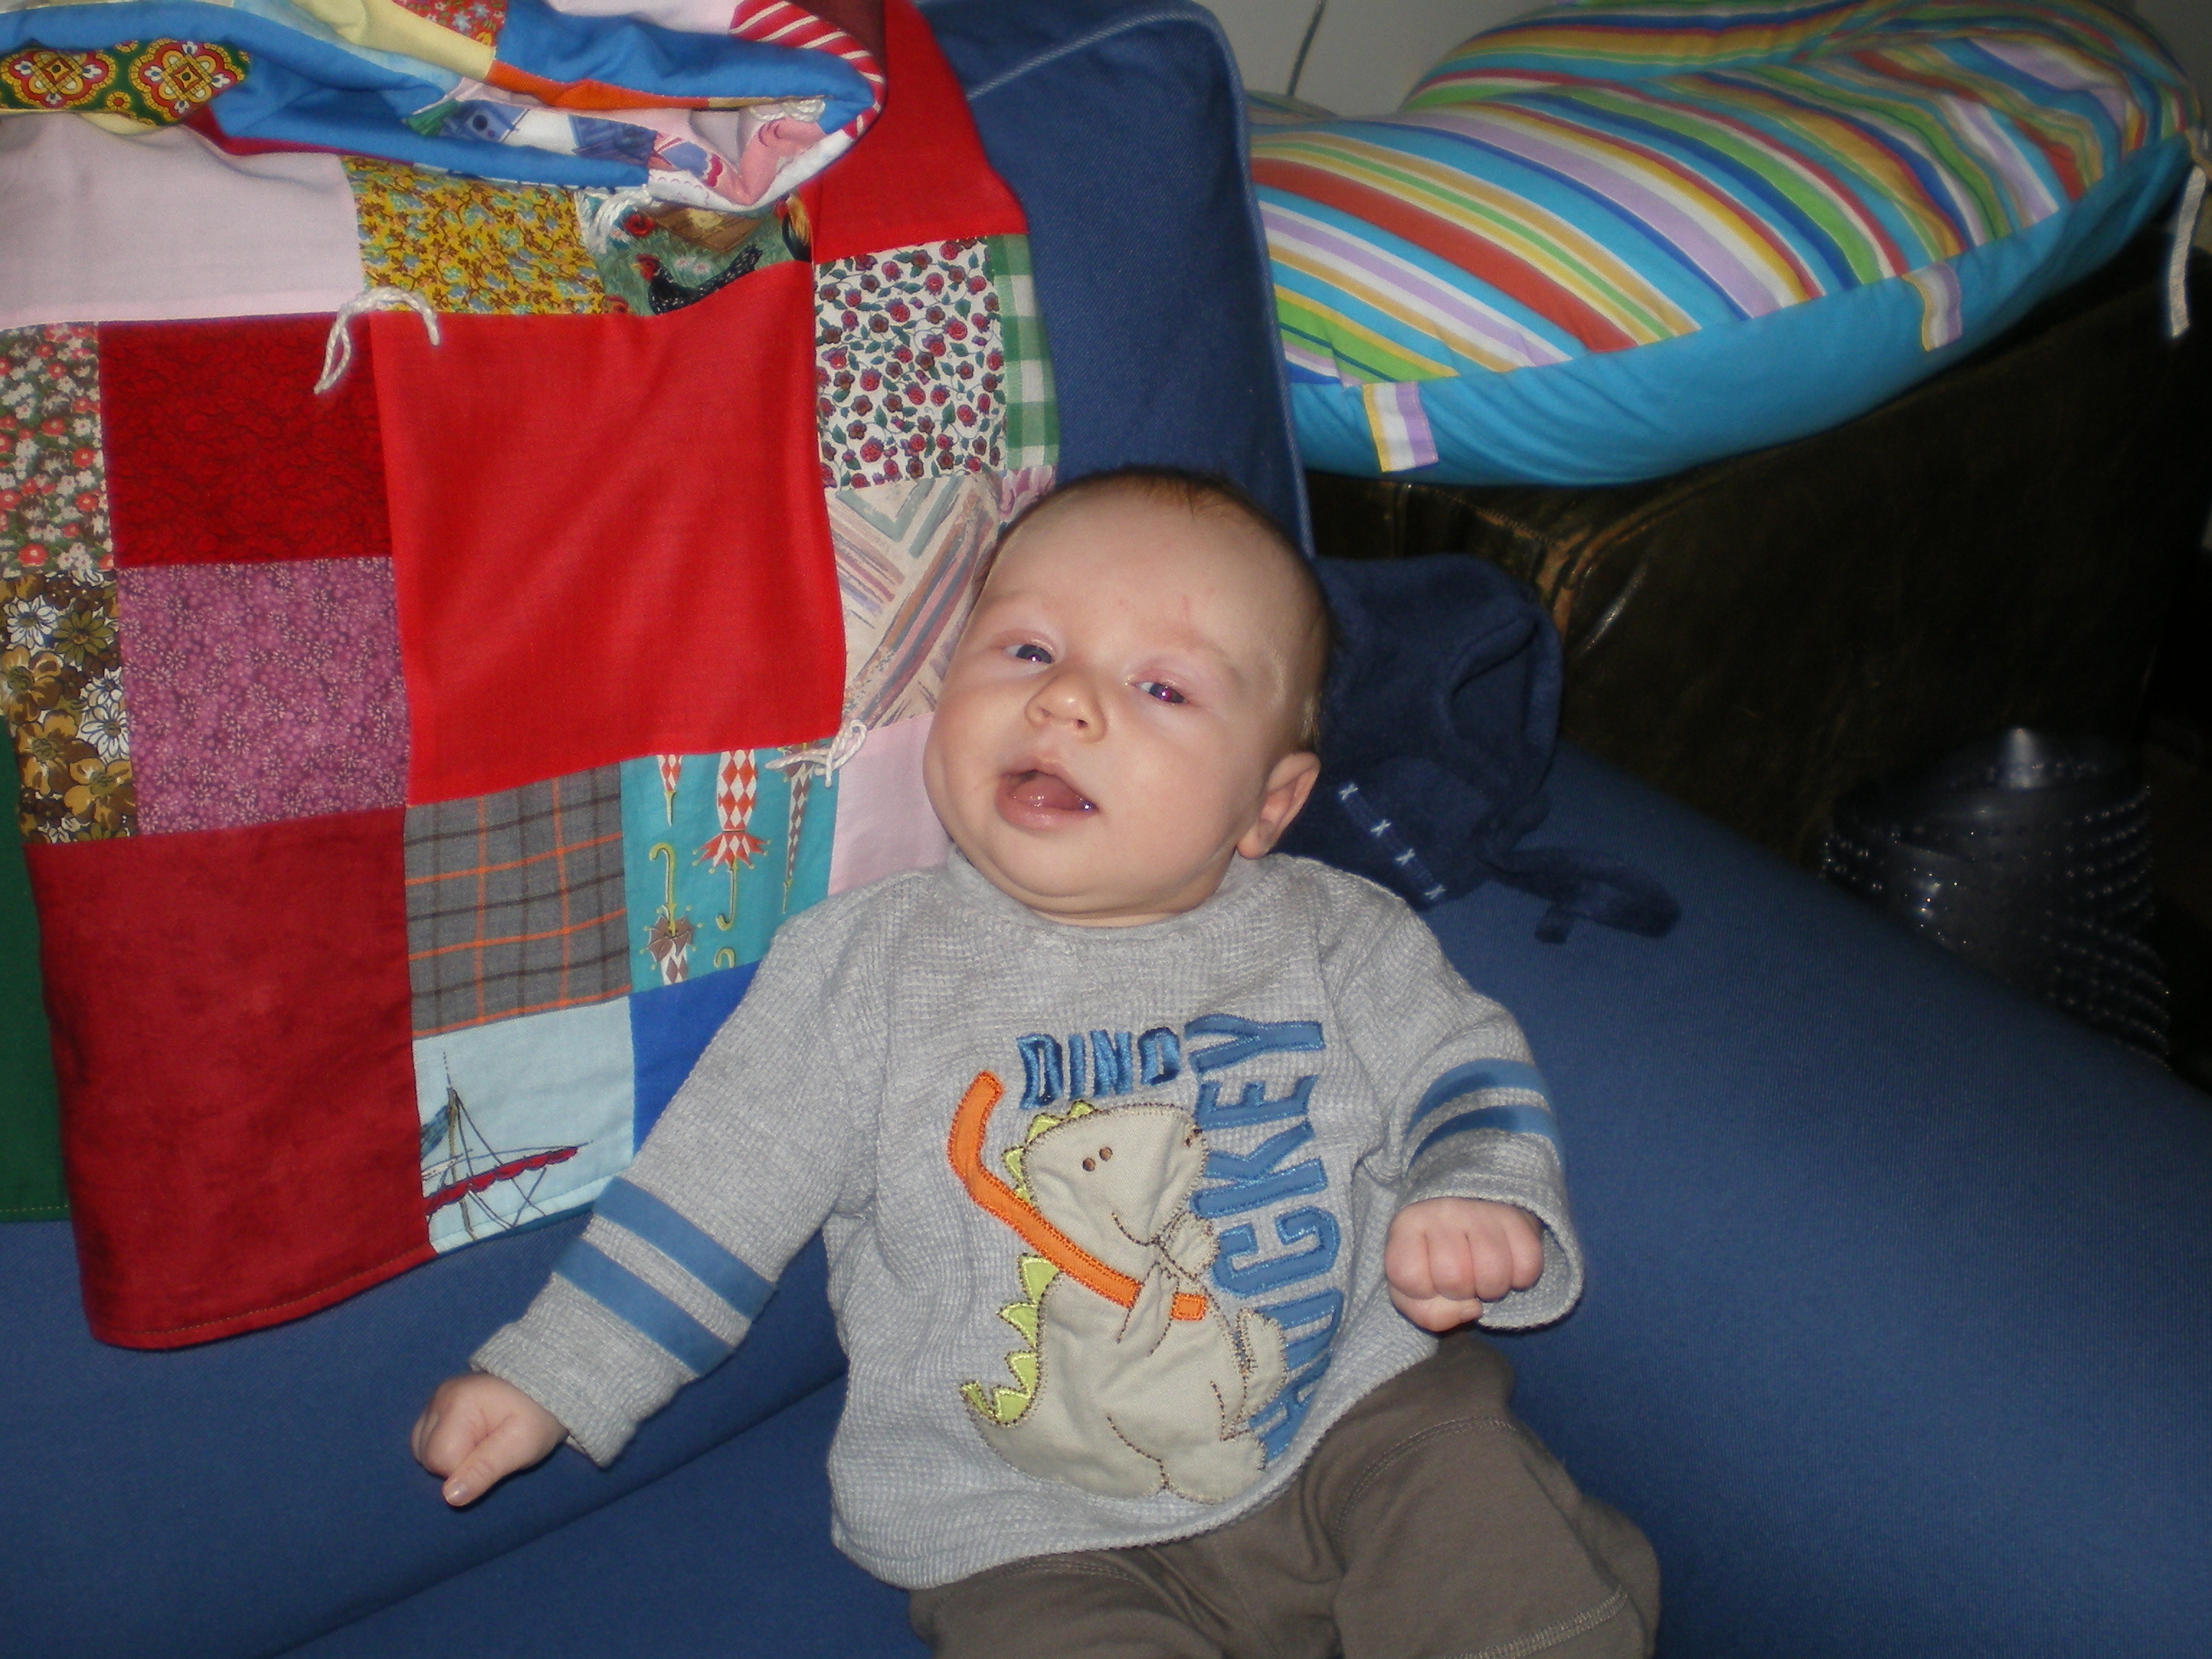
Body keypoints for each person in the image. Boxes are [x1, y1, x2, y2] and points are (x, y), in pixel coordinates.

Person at [412, 467, 1659, 1657]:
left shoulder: (1337, 934)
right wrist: (555, 1377)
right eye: (1025, 651)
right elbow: (712, 1196)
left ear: (1270, 806)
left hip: (1357, 1416)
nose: (1066, 702)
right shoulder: (865, 971)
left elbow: (1461, 1067)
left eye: (1163, 687)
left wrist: (1475, 1189)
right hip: (1029, 1534)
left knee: (1506, 1555)